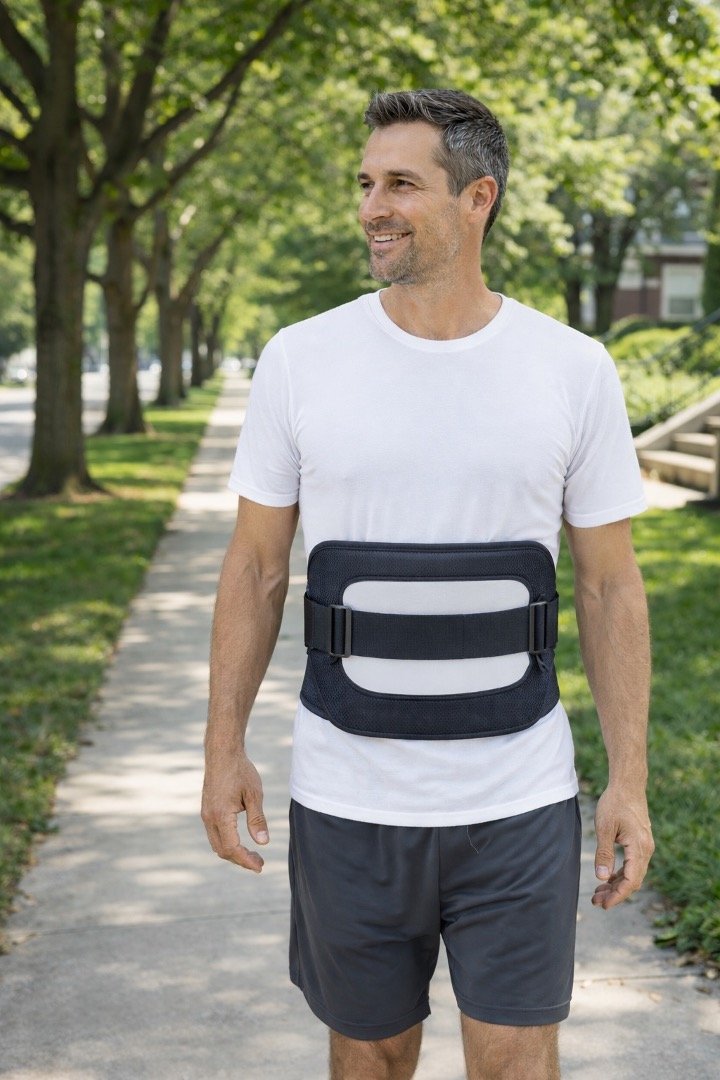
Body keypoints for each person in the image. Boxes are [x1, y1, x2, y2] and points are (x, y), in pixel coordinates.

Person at [201, 89, 654, 1080]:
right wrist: (222, 746)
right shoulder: (300, 360)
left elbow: (612, 587)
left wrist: (630, 778)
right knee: (372, 1062)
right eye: (365, 183)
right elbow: (257, 565)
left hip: (519, 794)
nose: (373, 204)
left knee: (514, 1064)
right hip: (347, 794)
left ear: (477, 198)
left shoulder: (571, 370)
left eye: (401, 182)